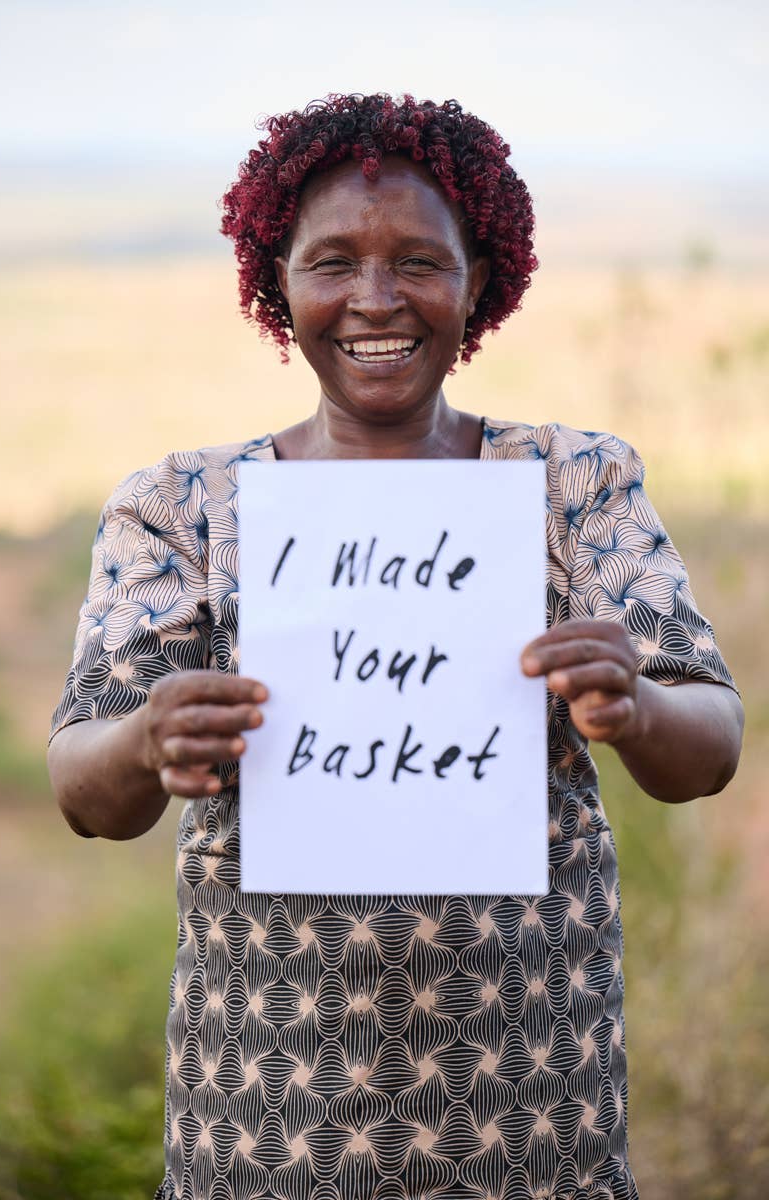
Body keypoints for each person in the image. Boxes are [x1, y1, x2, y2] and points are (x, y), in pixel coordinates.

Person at [47, 94, 743, 1200]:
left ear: (481, 281)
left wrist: (635, 708)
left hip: (531, 1099)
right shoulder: (181, 505)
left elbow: (706, 747)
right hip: (265, 1111)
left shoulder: (571, 485)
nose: (375, 299)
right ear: (276, 281)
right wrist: (146, 740)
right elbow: (87, 790)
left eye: (420, 260)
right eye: (332, 262)